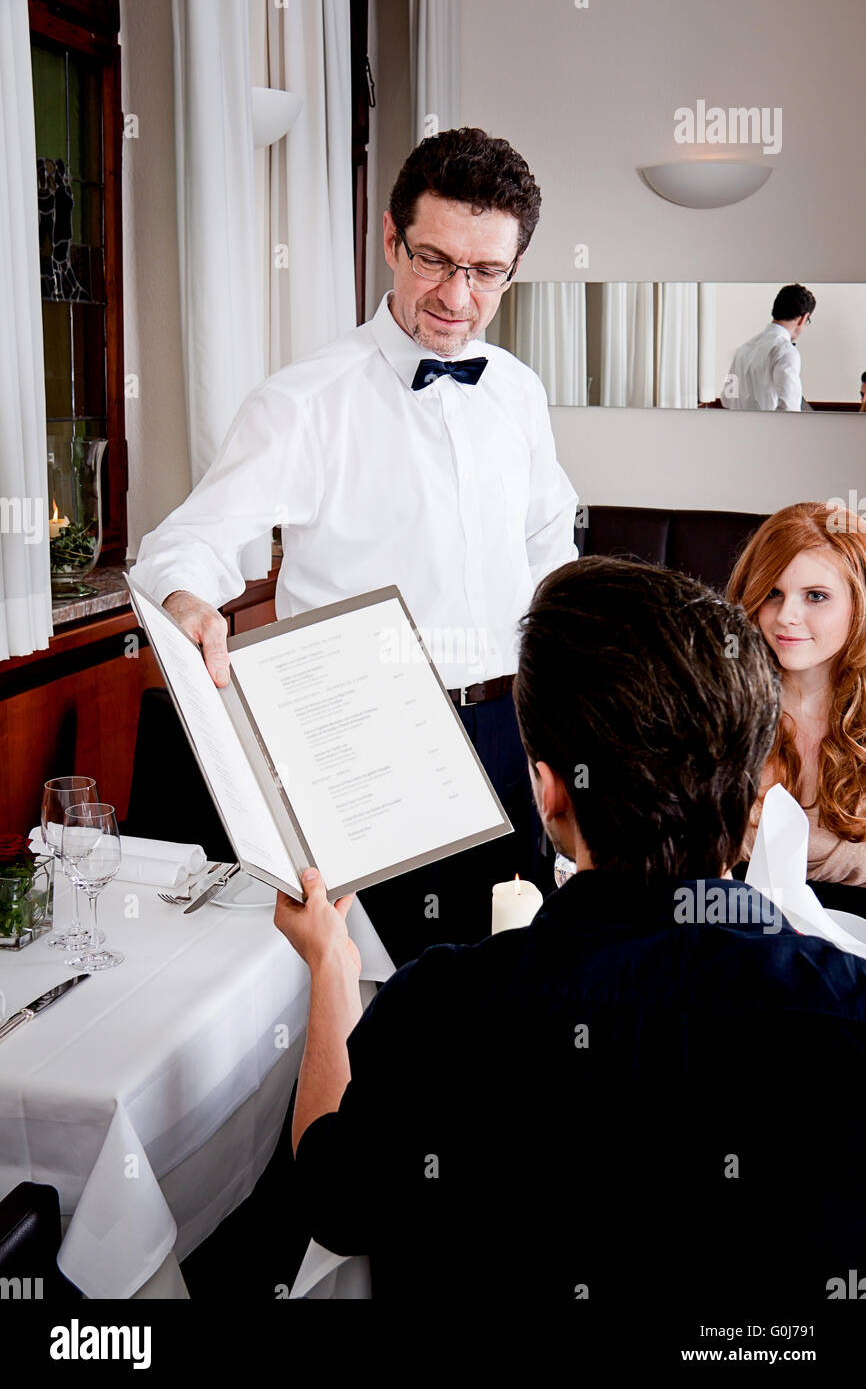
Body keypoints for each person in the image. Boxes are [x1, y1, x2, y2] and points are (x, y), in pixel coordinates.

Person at [275, 557, 866, 1309]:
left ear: (549, 789)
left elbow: (333, 1203)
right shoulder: (847, 1012)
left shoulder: (436, 1008)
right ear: (754, 789)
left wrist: (331, 965)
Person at [129, 127, 579, 967]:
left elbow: (547, 549)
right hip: (372, 738)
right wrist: (189, 598)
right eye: (433, 260)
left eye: (487, 272)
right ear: (388, 238)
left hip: (512, 728)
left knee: (515, 975)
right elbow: (184, 543)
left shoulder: (519, 392)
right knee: (385, 993)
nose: (456, 296)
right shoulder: (304, 402)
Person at [727, 500, 866, 889]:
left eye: (815, 596)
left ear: (860, 604)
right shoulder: (720, 707)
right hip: (738, 937)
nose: (787, 615)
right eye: (772, 592)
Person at [721, 283, 815, 411]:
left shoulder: (743, 349)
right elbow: (791, 410)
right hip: (771, 429)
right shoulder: (786, 352)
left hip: (739, 427)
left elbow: (727, 399)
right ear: (804, 318)